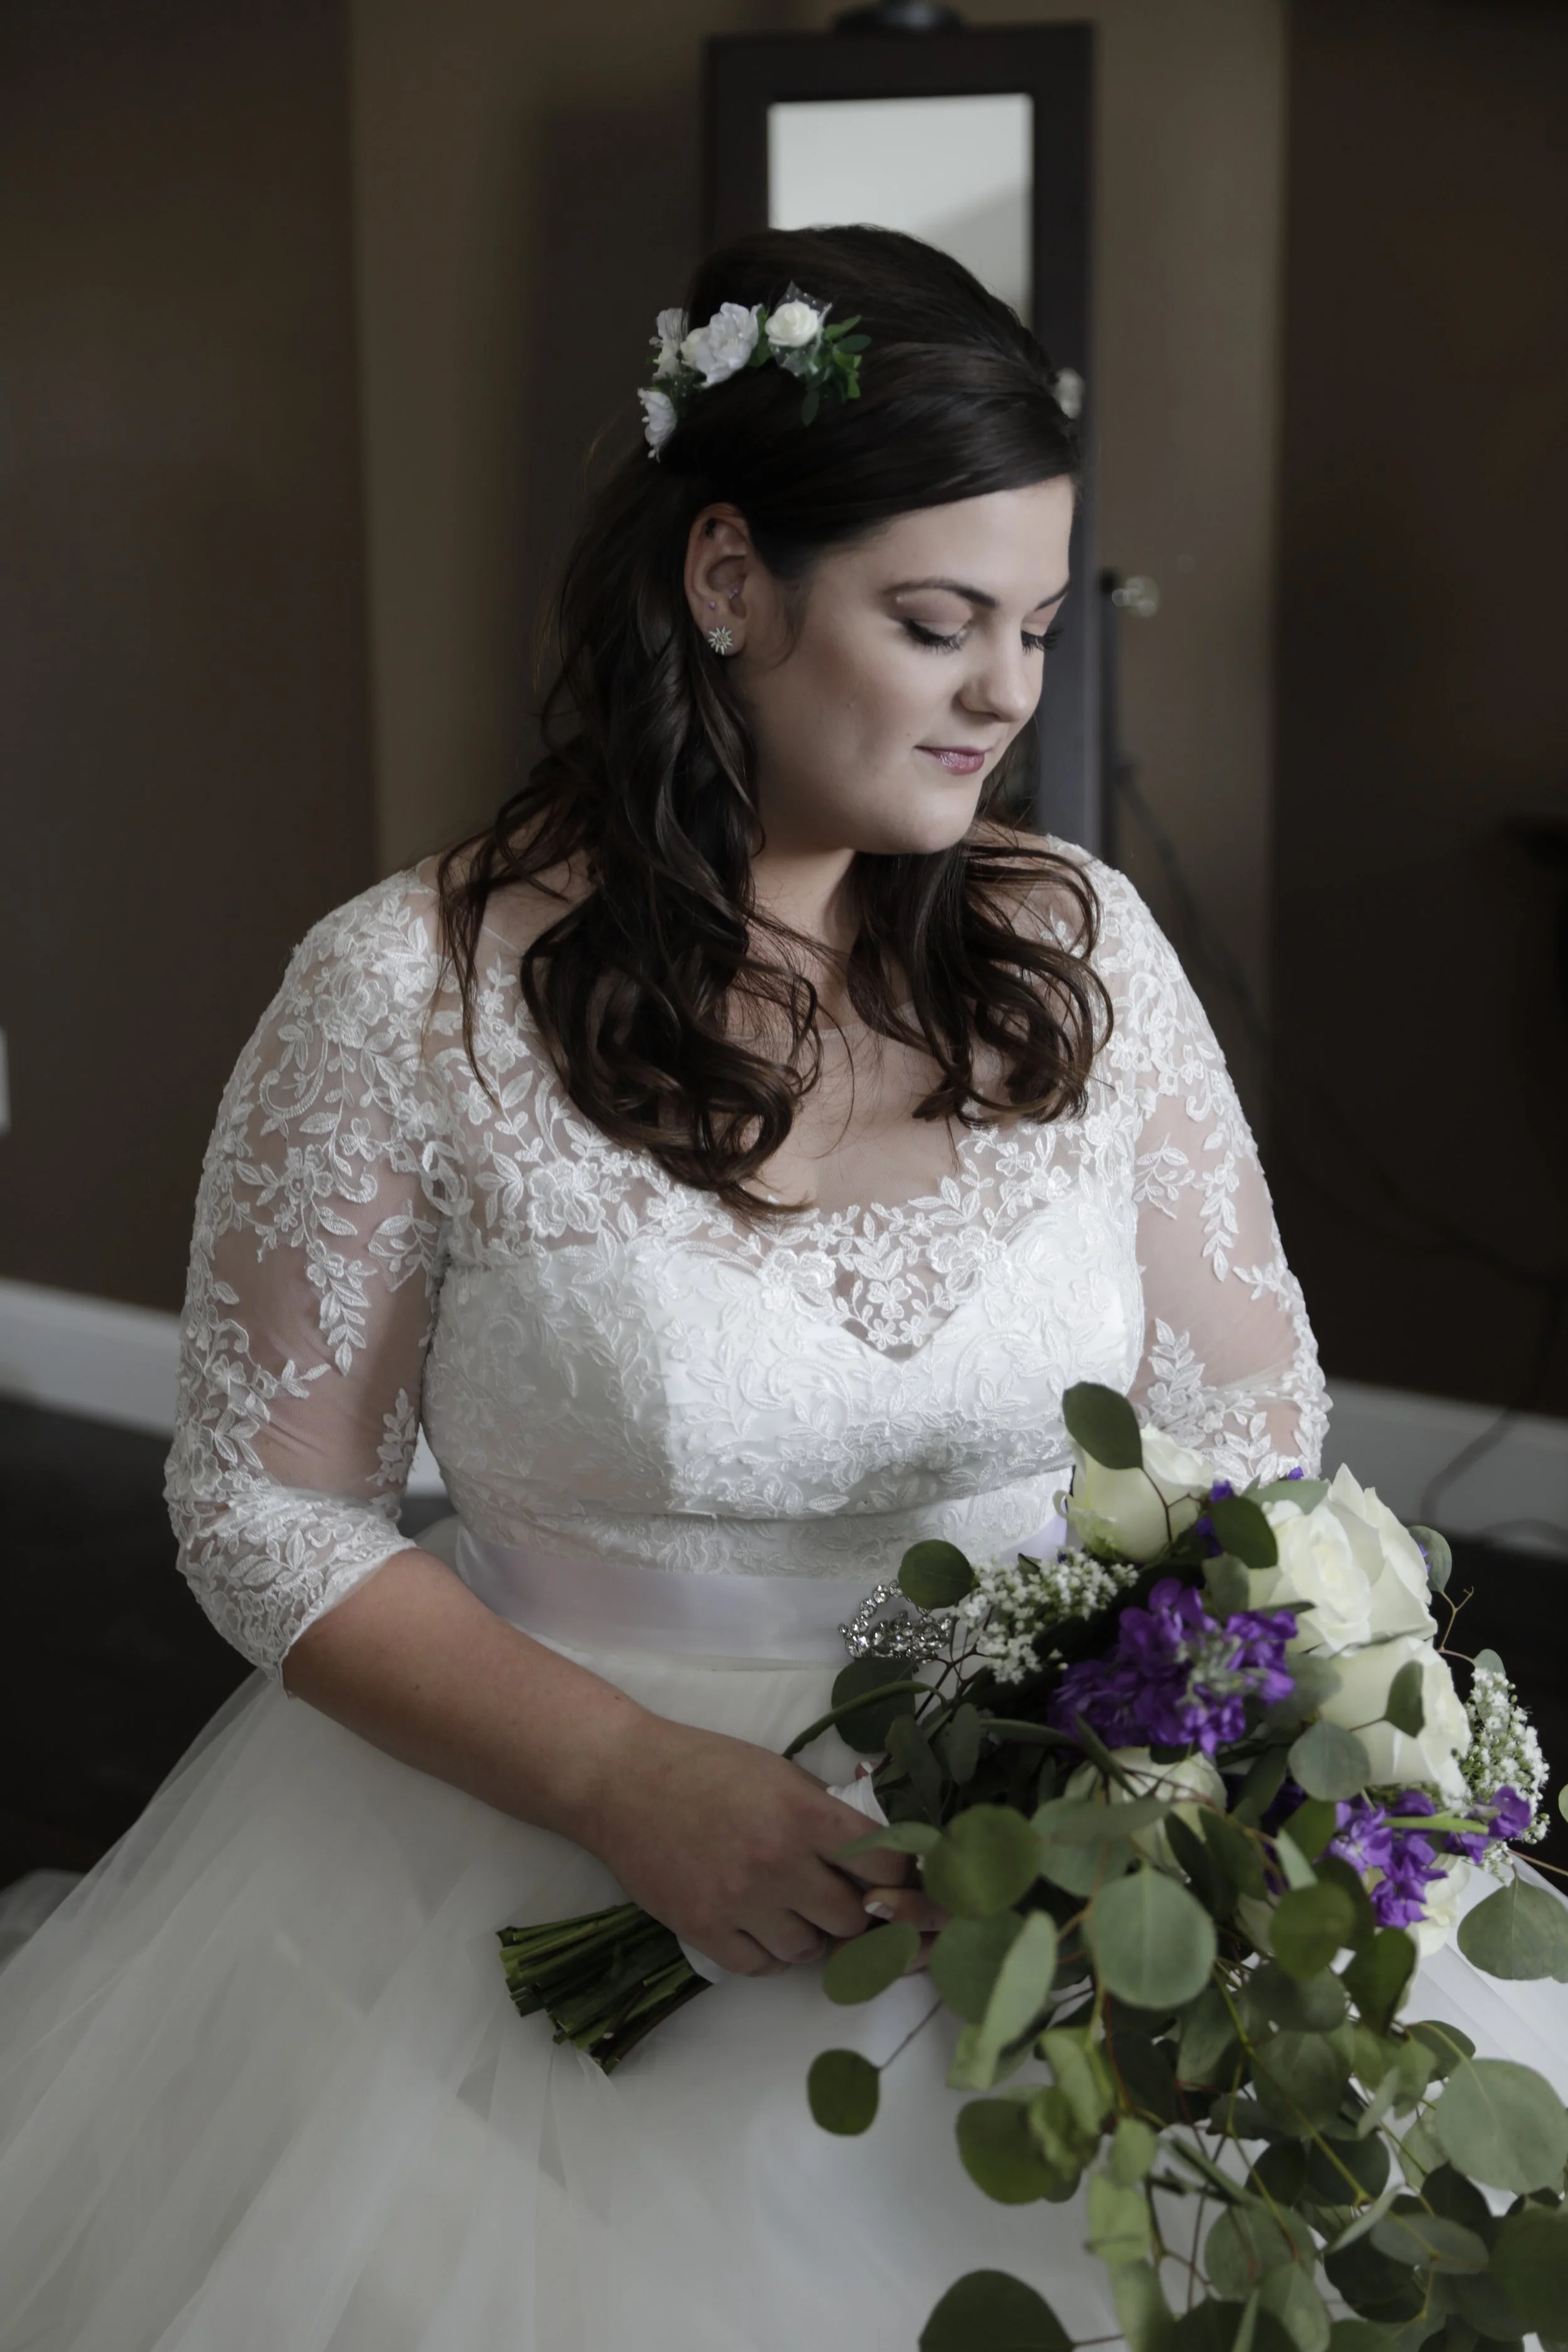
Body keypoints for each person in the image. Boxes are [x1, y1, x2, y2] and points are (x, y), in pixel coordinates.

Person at [0, 222, 1524, 2352]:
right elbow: (264, 1502)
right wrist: (625, 1781)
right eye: (934, 623)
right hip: (560, 1848)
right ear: (727, 582)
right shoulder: (400, 996)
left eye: (1033, 626)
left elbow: (1248, 1410)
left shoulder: (1077, 942)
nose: (1006, 692)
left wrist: (1140, 1742)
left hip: (1077, 1855)